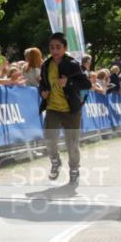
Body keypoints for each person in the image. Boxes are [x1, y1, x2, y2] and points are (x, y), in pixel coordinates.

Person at [38, 32, 91, 184]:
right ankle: (55, 161)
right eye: (52, 47)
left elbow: (86, 84)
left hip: (71, 110)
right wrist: (43, 91)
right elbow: (43, 82)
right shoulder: (46, 65)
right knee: (49, 139)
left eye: (58, 47)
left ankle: (74, 169)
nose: (54, 51)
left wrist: (69, 82)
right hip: (53, 108)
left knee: (72, 144)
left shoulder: (72, 64)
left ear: (65, 48)